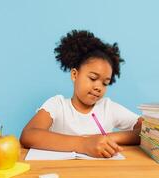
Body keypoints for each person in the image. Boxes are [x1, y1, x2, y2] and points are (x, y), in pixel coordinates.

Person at [20, 30, 142, 158]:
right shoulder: (57, 105)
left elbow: (150, 131)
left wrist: (105, 138)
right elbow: (28, 135)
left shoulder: (108, 108)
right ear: (75, 75)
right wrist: (84, 143)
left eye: (105, 83)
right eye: (93, 78)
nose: (98, 87)